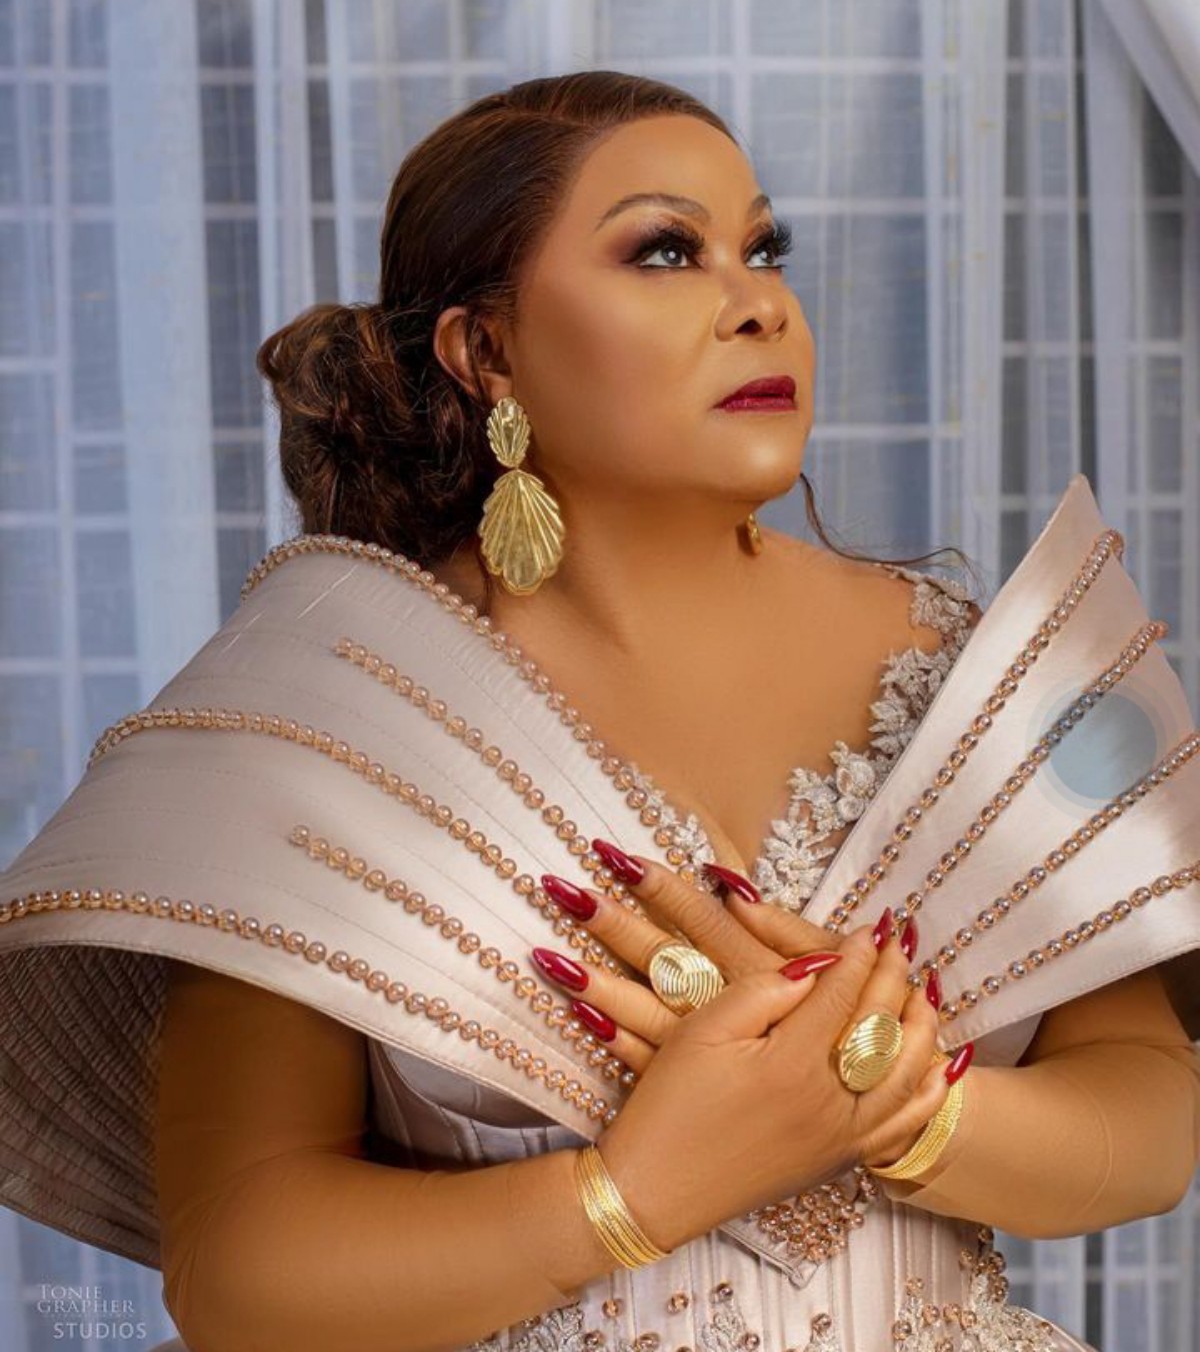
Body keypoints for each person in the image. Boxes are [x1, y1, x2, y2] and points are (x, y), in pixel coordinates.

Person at [1, 70, 1197, 1352]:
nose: (761, 304)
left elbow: (1152, 1113)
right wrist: (633, 1193)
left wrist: (910, 1104)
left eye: (763, 248)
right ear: (485, 351)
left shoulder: (975, 668)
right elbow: (238, 1270)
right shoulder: (328, 712)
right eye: (667, 251)